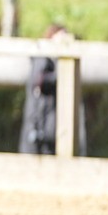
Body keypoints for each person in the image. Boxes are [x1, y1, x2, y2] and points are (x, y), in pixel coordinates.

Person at [20, 23, 86, 156]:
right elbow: (40, 82)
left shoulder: (54, 61)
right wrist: (61, 74)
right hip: (38, 127)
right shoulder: (43, 59)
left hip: (51, 129)